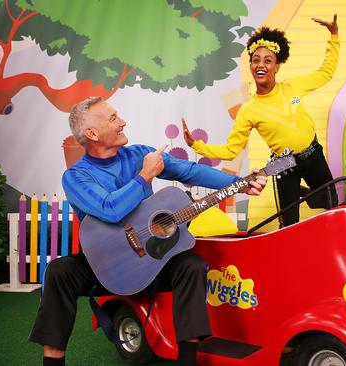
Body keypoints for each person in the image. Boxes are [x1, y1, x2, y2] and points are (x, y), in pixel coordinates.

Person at [28, 96, 267, 366]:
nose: (122, 122)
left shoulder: (139, 154)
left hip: (152, 262)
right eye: (113, 118)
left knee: (192, 265)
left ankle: (188, 361)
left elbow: (188, 171)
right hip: (106, 266)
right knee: (60, 272)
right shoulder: (76, 177)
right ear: (92, 134)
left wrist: (240, 183)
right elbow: (109, 209)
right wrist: (144, 176)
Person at [182, 15, 339, 227]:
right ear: (251, 66)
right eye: (256, 60)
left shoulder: (292, 87)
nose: (260, 65)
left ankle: (307, 195)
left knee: (332, 202)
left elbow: (326, 73)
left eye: (267, 60)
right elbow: (230, 151)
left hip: (312, 153)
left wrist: (334, 36)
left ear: (276, 67)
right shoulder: (248, 110)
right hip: (285, 164)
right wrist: (196, 145)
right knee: (289, 223)